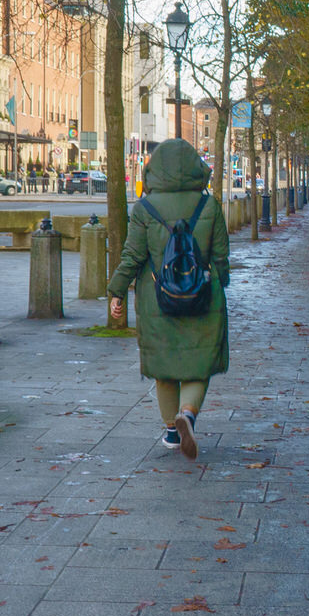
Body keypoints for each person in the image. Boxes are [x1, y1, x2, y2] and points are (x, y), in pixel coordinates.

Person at [106, 138, 231, 459]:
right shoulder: (210, 205)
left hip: (157, 299)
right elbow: (220, 256)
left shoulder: (144, 209)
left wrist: (117, 290)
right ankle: (188, 413)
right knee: (198, 363)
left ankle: (172, 432)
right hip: (203, 295)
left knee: (164, 366)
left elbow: (132, 255)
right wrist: (221, 285)